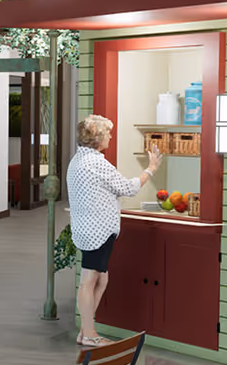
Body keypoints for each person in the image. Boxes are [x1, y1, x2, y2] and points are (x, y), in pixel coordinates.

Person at [66, 114, 161, 347]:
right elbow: (128, 188)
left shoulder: (78, 160)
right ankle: (89, 334)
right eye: (108, 133)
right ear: (97, 138)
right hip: (97, 232)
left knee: (101, 278)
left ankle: (86, 330)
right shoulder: (96, 162)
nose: (110, 136)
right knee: (89, 280)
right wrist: (150, 169)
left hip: (87, 230)